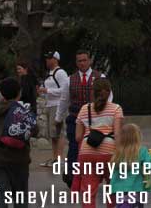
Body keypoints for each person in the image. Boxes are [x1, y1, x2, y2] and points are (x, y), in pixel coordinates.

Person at [75, 78, 123, 207]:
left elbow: (78, 137)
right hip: (109, 152)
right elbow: (118, 134)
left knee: (88, 192)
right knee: (113, 189)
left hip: (87, 152)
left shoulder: (84, 109)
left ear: (92, 93)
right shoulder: (116, 109)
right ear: (109, 92)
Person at [0, 78, 32, 204]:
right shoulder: (23, 112)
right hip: (20, 160)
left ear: (2, 94)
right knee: (20, 198)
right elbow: (34, 130)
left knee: (1, 198)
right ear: (19, 93)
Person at [65, 49, 108, 181]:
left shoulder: (100, 77)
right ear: (76, 63)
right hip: (75, 118)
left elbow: (109, 98)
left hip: (95, 119)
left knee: (96, 146)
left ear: (89, 61)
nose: (82, 63)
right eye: (79, 61)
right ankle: (71, 176)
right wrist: (58, 117)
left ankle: (98, 175)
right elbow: (64, 99)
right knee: (74, 147)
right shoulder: (69, 80)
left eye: (84, 60)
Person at [108, 123, 151, 208]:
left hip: (119, 189)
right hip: (137, 187)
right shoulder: (142, 151)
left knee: (123, 204)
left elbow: (112, 167)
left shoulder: (118, 152)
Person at [38, 51, 69, 167]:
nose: (47, 60)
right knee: (53, 134)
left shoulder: (60, 73)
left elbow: (65, 90)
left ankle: (60, 159)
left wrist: (48, 91)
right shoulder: (49, 73)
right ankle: (55, 158)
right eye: (46, 58)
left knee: (59, 132)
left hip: (58, 105)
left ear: (56, 60)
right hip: (50, 105)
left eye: (49, 58)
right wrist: (42, 90)